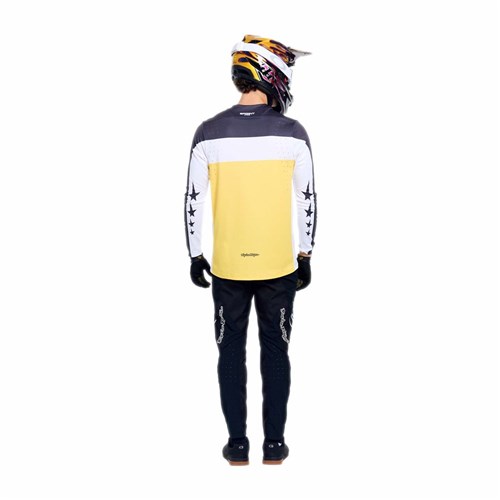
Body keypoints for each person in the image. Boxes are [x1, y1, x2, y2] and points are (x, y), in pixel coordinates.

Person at [184, 35, 317, 465]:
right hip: (279, 265)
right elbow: (308, 199)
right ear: (272, 73)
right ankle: (274, 445)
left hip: (227, 267)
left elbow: (192, 199)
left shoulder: (208, 132)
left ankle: (237, 445)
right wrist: (306, 254)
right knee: (276, 351)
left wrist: (194, 254)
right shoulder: (293, 133)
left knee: (230, 352)